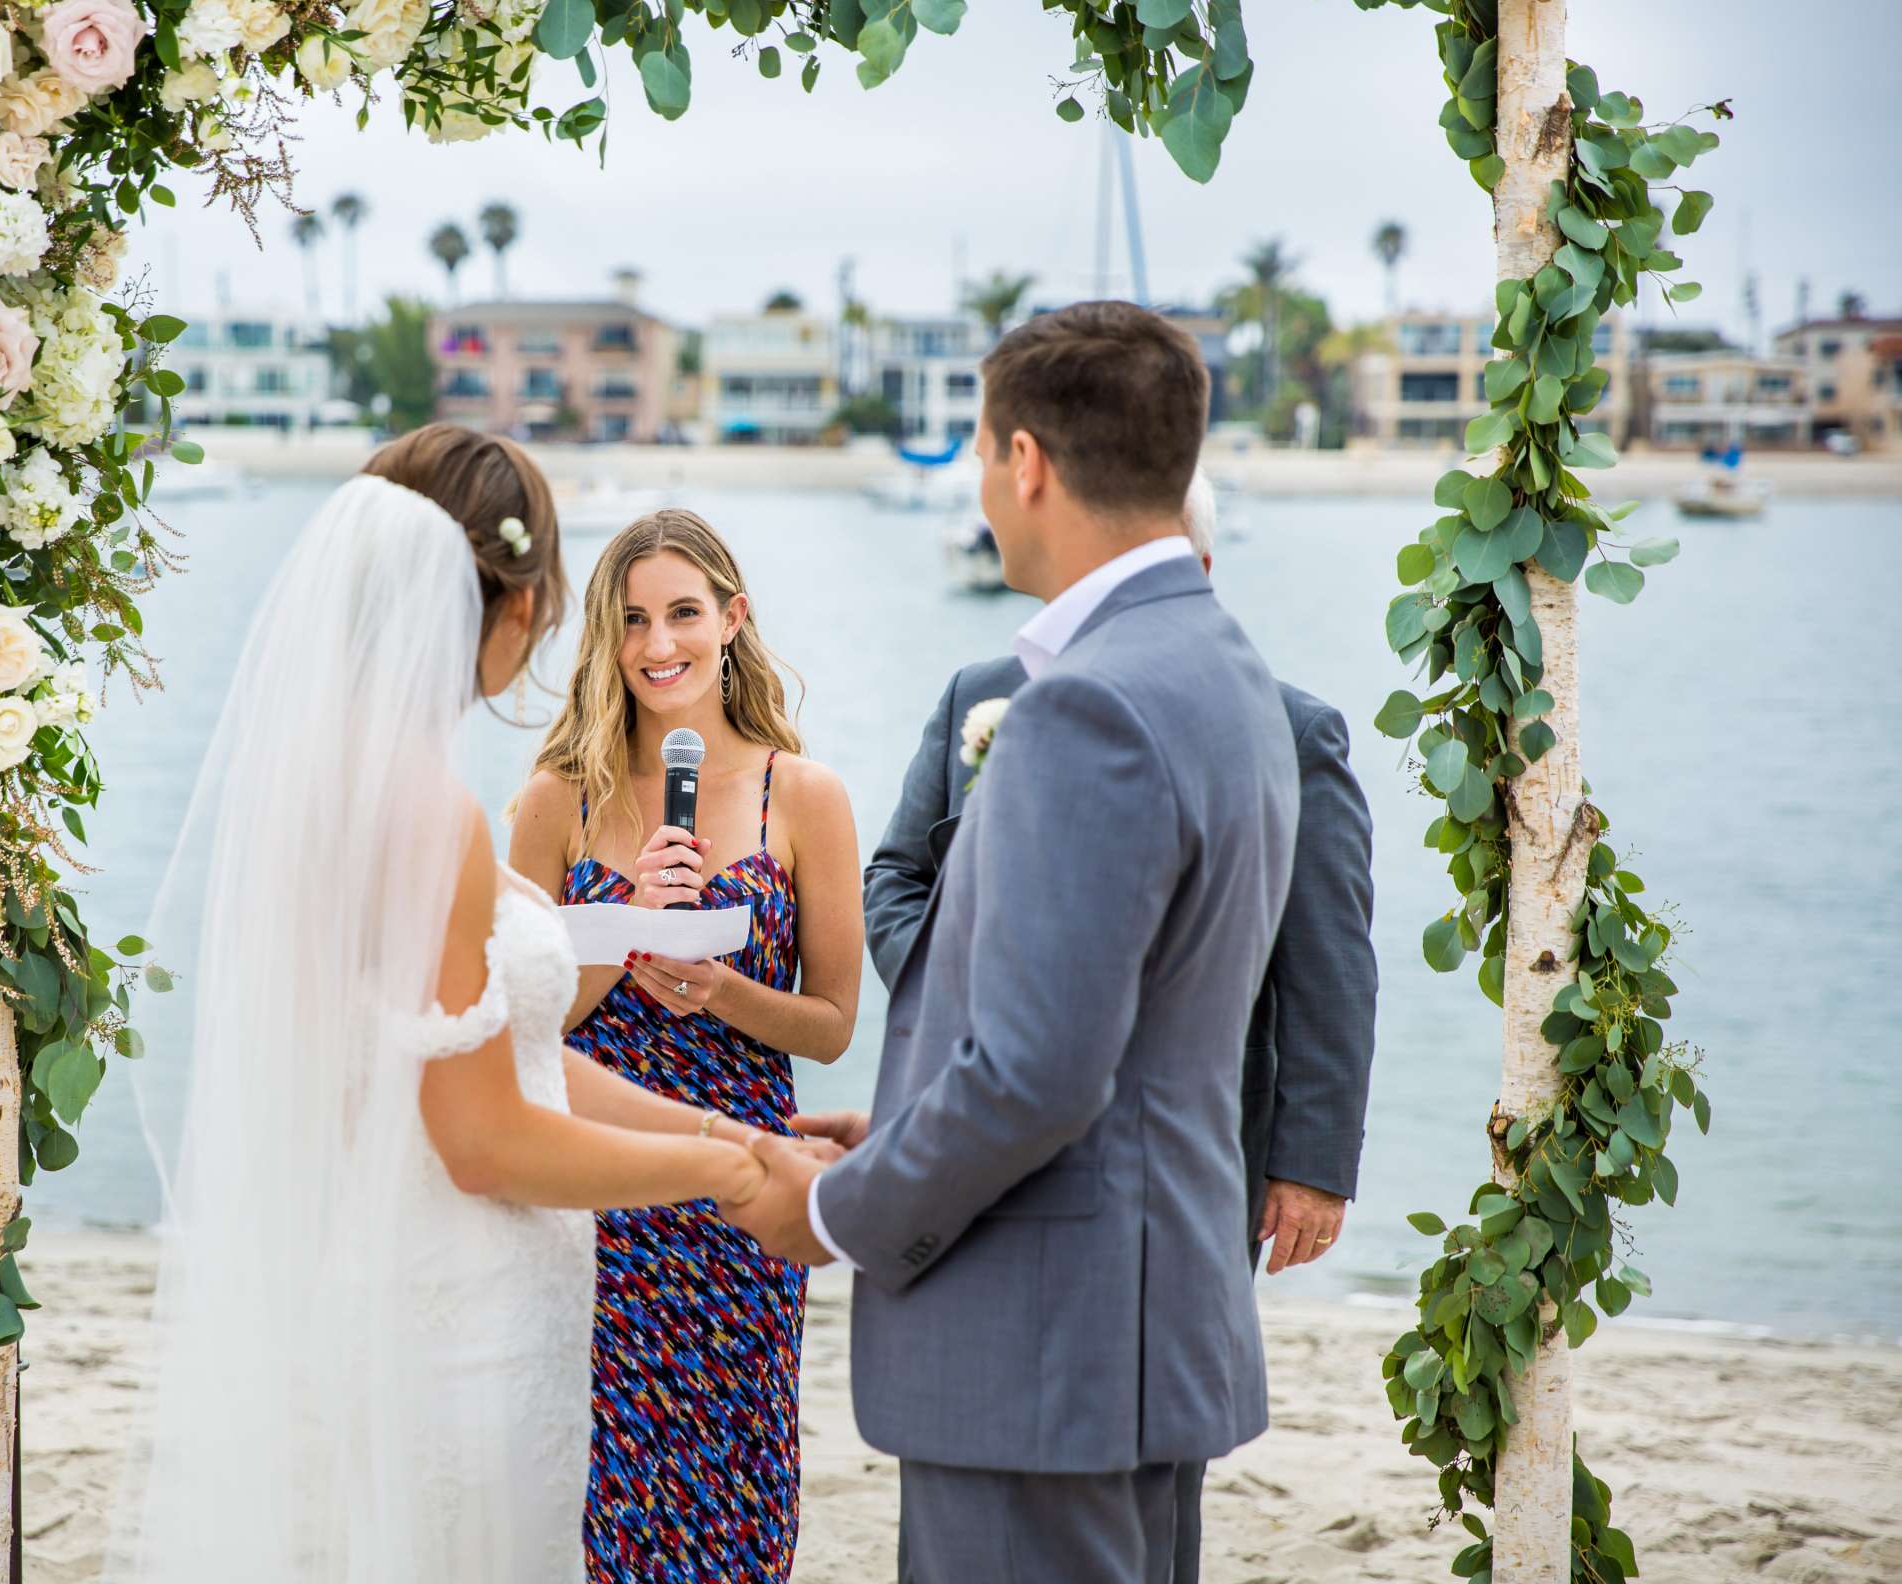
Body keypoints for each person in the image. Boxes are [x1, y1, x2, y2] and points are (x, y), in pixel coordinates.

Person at [118, 427, 779, 1581]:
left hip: (400, 1289)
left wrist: (728, 1131)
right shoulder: (426, 813)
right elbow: (482, 1141)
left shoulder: (327, 780)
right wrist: (727, 1182)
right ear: (514, 609)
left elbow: (509, 1056)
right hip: (468, 1324)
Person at [723, 301, 1300, 1583]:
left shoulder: (1081, 704)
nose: (981, 486)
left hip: (1042, 1360)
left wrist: (834, 1206)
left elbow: (1039, 1075)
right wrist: (906, 1122)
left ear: (1027, 460)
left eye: (982, 453)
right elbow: (1133, 1039)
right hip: (1142, 1337)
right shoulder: (1227, 671)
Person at [861, 468, 1379, 1583]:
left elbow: (1326, 959)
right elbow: (898, 879)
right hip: (972, 1124)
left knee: (1146, 1471)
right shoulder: (974, 698)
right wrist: (969, 993)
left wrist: (1312, 1162)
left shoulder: (1293, 728)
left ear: (1197, 570)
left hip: (1181, 1164)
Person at [510, 509, 864, 1584]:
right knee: (595, 1479)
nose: (658, 644)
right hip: (590, 1187)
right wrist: (621, 944)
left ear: (732, 619)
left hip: (740, 1191)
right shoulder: (552, 800)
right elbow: (510, 1023)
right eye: (631, 620)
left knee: (735, 1481)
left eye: (682, 613)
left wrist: (723, 989)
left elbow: (835, 1022)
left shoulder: (802, 796)